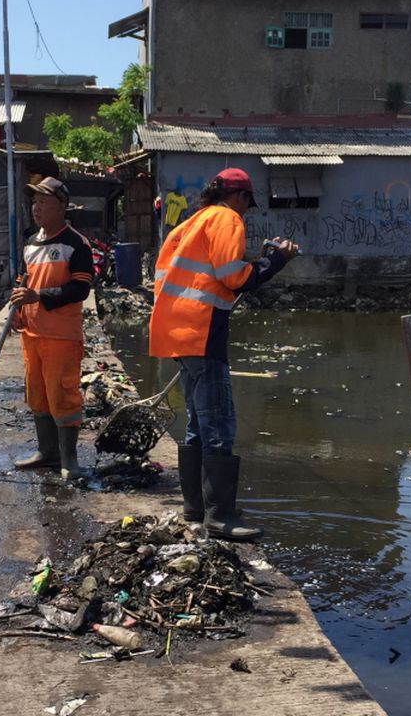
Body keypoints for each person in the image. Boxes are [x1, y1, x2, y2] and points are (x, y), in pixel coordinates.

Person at [149, 168, 297, 541]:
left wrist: (258, 261)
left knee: (198, 421)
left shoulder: (190, 223)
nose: (245, 213)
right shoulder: (227, 218)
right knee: (219, 424)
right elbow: (234, 277)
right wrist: (276, 261)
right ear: (239, 197)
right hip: (203, 332)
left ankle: (196, 506)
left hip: (178, 333)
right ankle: (220, 517)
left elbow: (205, 273)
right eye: (247, 204)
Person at [9, 177, 94, 479]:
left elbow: (81, 289)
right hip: (32, 334)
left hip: (61, 335)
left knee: (63, 395)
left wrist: (39, 296)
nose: (36, 207)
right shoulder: (31, 243)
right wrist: (18, 309)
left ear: (62, 207)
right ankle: (46, 452)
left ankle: (69, 461)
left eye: (43, 202)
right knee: (38, 395)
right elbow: (24, 281)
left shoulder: (75, 244)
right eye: (34, 201)